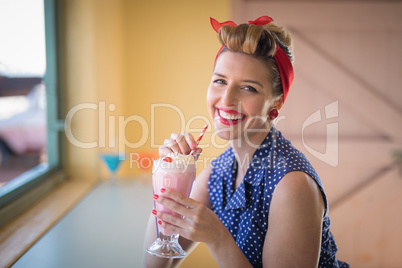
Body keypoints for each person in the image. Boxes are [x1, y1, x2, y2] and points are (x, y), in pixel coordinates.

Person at [143, 16, 349, 268]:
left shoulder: (292, 186)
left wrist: (218, 238)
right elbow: (155, 263)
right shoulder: (219, 172)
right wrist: (170, 176)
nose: (226, 99)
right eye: (220, 81)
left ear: (276, 102)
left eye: (248, 88)